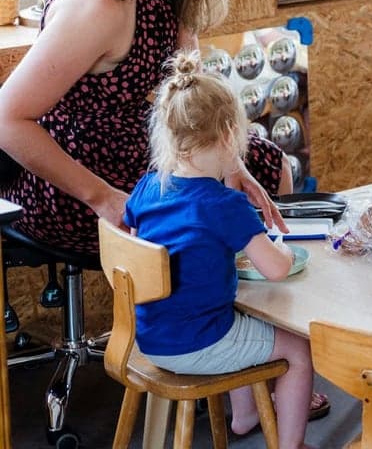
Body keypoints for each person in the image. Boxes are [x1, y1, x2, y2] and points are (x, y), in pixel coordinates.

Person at [0, 0, 330, 420]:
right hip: (76, 180)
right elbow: (8, 120)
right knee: (216, 196)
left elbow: (195, 104)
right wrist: (102, 197)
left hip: (145, 158)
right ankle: (235, 360)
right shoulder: (105, 0)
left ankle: (239, 360)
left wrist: (237, 168)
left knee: (261, 159)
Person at [126, 53, 314, 447]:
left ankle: (244, 415)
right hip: (197, 342)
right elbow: (276, 269)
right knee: (297, 348)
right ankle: (292, 445)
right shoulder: (223, 206)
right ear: (230, 137)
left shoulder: (148, 187)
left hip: (148, 337)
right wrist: (280, 251)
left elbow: (137, 233)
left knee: (233, 312)